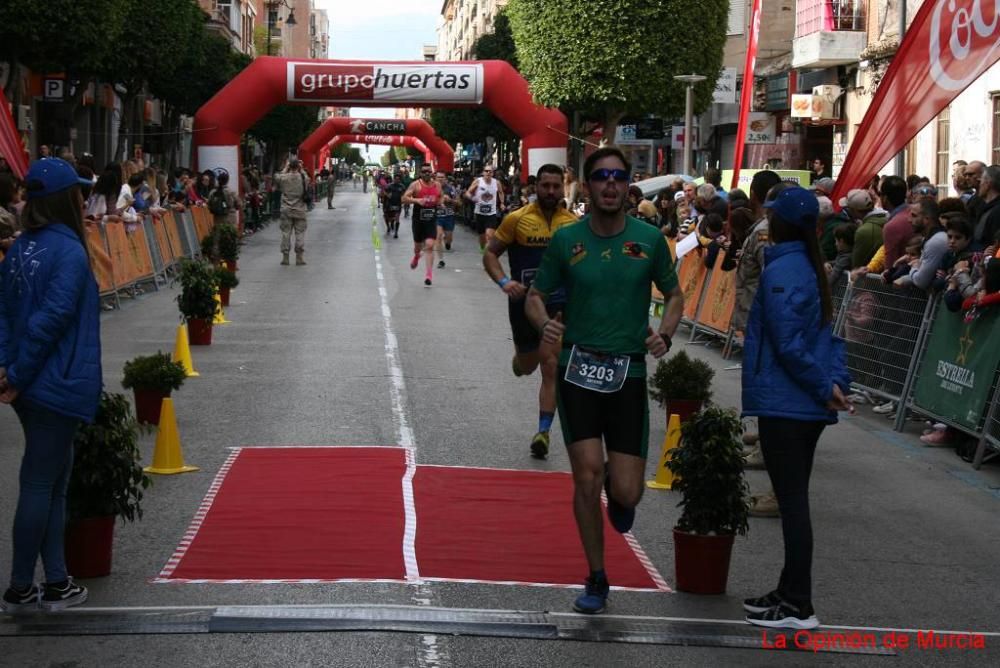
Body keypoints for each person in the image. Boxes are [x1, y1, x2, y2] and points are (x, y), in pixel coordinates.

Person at [525, 146, 683, 614]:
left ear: (627, 185)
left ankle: (623, 492)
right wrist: (543, 324)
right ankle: (596, 577)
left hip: (628, 373)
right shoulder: (567, 240)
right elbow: (535, 296)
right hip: (578, 370)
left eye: (618, 177)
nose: (610, 185)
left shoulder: (649, 240)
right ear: (588, 186)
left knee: (626, 493)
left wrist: (666, 335)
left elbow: (674, 295)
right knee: (586, 475)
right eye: (601, 177)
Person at [741, 186, 851, 630]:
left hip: (788, 402)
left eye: (771, 217)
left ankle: (798, 604)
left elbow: (788, 342)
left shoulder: (785, 269)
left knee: (793, 505)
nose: (766, 223)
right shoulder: (804, 265)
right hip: (795, 399)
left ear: (781, 223)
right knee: (793, 502)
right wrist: (832, 383)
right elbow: (824, 335)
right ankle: (789, 592)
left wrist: (827, 386)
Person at [0, 158, 102, 613]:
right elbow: (52, 320)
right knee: (42, 484)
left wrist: (7, 367)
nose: (83, 199)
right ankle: (23, 586)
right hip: (55, 382)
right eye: (78, 192)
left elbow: (5, 314)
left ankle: (56, 580)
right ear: (66, 200)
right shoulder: (70, 253)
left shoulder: (21, 248)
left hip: (31, 382)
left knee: (53, 482)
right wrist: (17, 373)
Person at [484, 164, 578, 459]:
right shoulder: (517, 219)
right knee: (529, 366)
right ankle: (521, 360)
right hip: (522, 303)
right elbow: (490, 254)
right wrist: (504, 281)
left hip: (556, 304)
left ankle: (543, 433)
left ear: (563, 187)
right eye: (545, 186)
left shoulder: (572, 223)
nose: (551, 192)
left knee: (551, 365)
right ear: (535, 187)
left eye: (556, 186)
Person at [402, 165, 442, 286]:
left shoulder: (437, 185)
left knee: (430, 245)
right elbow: (403, 198)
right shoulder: (416, 185)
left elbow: (440, 196)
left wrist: (441, 203)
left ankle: (429, 275)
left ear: (431, 173)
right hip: (418, 220)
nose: (427, 173)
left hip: (431, 219)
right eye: (424, 171)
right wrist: (417, 200)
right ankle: (416, 256)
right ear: (420, 173)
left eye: (429, 171)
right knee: (418, 247)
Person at [274, 158, 309, 266]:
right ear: (298, 166)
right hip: (300, 209)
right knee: (300, 233)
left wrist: (285, 168)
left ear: (289, 166)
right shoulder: (303, 178)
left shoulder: (284, 178)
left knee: (286, 233)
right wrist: (301, 169)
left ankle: (285, 257)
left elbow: (277, 177)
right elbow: (308, 179)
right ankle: (299, 257)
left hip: (286, 209)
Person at [465, 165, 504, 252]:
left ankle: (489, 252)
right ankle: (483, 248)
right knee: (482, 236)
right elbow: (467, 193)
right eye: (486, 171)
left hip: (492, 213)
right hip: (479, 213)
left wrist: (502, 203)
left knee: (489, 234)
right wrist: (472, 198)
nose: (488, 173)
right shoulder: (478, 182)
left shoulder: (496, 182)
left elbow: (501, 193)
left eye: (490, 171)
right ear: (483, 172)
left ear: (493, 173)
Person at [434, 171, 459, 268]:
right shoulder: (431, 188)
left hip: (449, 216)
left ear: (446, 179)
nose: (440, 179)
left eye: (442, 177)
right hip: (437, 217)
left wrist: (450, 200)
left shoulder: (451, 188)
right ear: (435, 178)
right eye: (438, 177)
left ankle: (448, 243)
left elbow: (459, 202)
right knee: (438, 236)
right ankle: (441, 260)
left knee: (449, 238)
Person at [382, 173, 405, 238]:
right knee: (387, 217)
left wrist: (403, 198)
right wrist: (387, 195)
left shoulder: (402, 186)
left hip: (398, 204)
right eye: (395, 179)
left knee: (397, 218)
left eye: (398, 179)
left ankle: (396, 233)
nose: (397, 180)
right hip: (389, 204)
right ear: (394, 179)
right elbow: (384, 191)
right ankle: (388, 227)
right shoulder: (389, 186)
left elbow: (404, 194)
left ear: (400, 180)